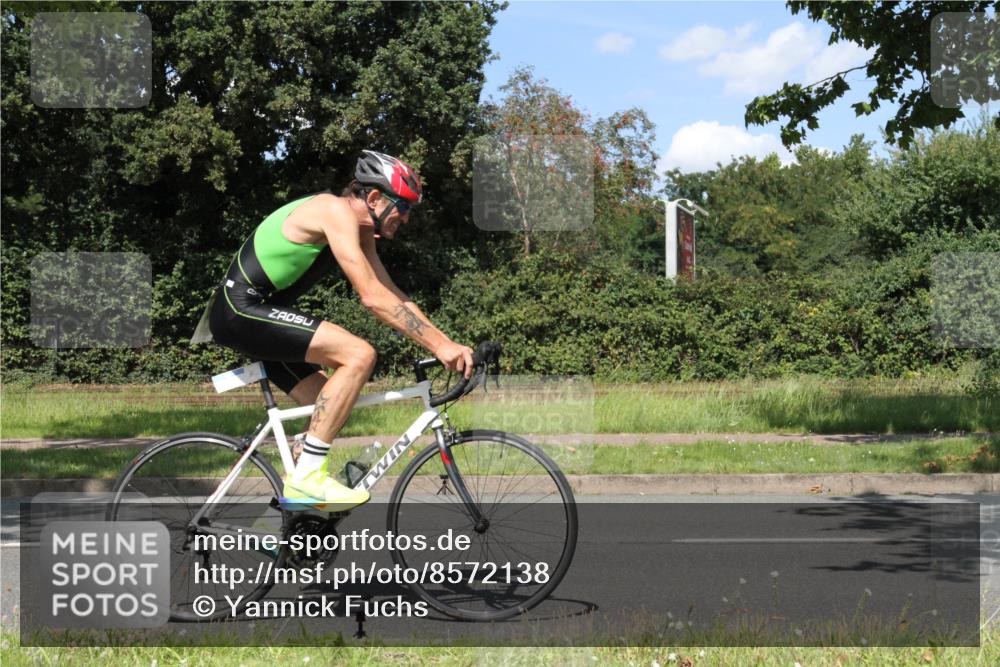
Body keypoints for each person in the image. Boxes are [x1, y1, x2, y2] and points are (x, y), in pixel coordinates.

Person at [203, 150, 474, 510]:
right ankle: (307, 480)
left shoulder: (361, 230)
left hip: (257, 313)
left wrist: (447, 342)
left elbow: (392, 294)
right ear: (374, 198)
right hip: (240, 309)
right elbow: (372, 298)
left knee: (328, 408)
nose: (406, 219)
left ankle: (284, 526)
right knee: (359, 354)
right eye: (403, 207)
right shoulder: (334, 211)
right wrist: (438, 346)